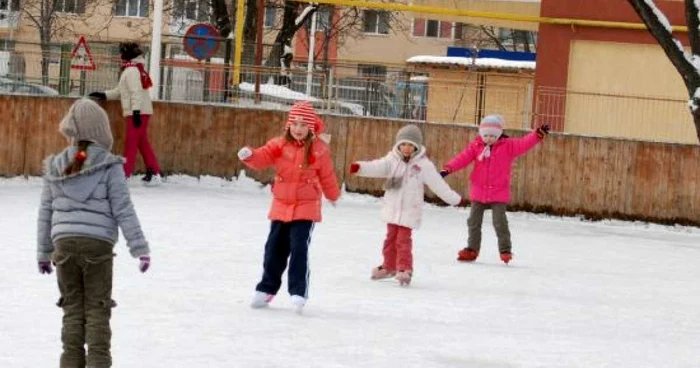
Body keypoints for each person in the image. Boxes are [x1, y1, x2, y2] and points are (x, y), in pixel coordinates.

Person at [36, 98, 152, 368]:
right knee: (97, 310)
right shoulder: (111, 166)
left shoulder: (55, 166)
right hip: (97, 247)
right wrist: (140, 248)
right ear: (102, 130)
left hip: (62, 245)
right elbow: (123, 209)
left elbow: (46, 212)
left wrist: (43, 252)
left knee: (72, 310)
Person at [237, 101, 340, 314]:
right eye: (295, 123)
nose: (299, 128)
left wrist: (332, 195)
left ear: (311, 127)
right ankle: (266, 289)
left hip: (306, 207)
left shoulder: (319, 149)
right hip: (281, 206)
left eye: (303, 124)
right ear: (289, 125)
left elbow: (327, 175)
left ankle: (298, 291)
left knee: (299, 248)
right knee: (273, 248)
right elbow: (263, 156)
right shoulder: (279, 144)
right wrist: (250, 155)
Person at [349, 124, 464, 286]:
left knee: (403, 241)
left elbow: (437, 184)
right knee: (390, 239)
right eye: (403, 144)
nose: (406, 148)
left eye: (411, 145)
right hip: (392, 208)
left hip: (410, 210)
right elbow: (377, 166)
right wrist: (360, 167)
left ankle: (404, 268)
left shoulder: (423, 165)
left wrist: (454, 199)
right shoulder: (392, 160)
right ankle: (389, 266)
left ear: (417, 147)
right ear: (398, 145)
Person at [441, 114, 549, 264]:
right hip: (479, 191)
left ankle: (505, 250)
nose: (489, 138)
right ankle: (472, 249)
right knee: (473, 221)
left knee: (500, 222)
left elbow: (525, 143)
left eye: (493, 135)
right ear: (481, 134)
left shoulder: (508, 146)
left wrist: (537, 135)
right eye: (486, 135)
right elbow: (462, 158)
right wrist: (448, 169)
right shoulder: (476, 146)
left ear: (499, 134)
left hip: (499, 192)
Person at [89, 42, 161, 185]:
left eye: (123, 53)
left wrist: (135, 112)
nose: (120, 55)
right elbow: (120, 91)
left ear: (129, 55)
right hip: (140, 111)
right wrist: (104, 94)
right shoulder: (131, 70)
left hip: (138, 112)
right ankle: (154, 172)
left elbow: (136, 93)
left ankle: (124, 174)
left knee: (131, 143)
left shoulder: (132, 71)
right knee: (141, 143)